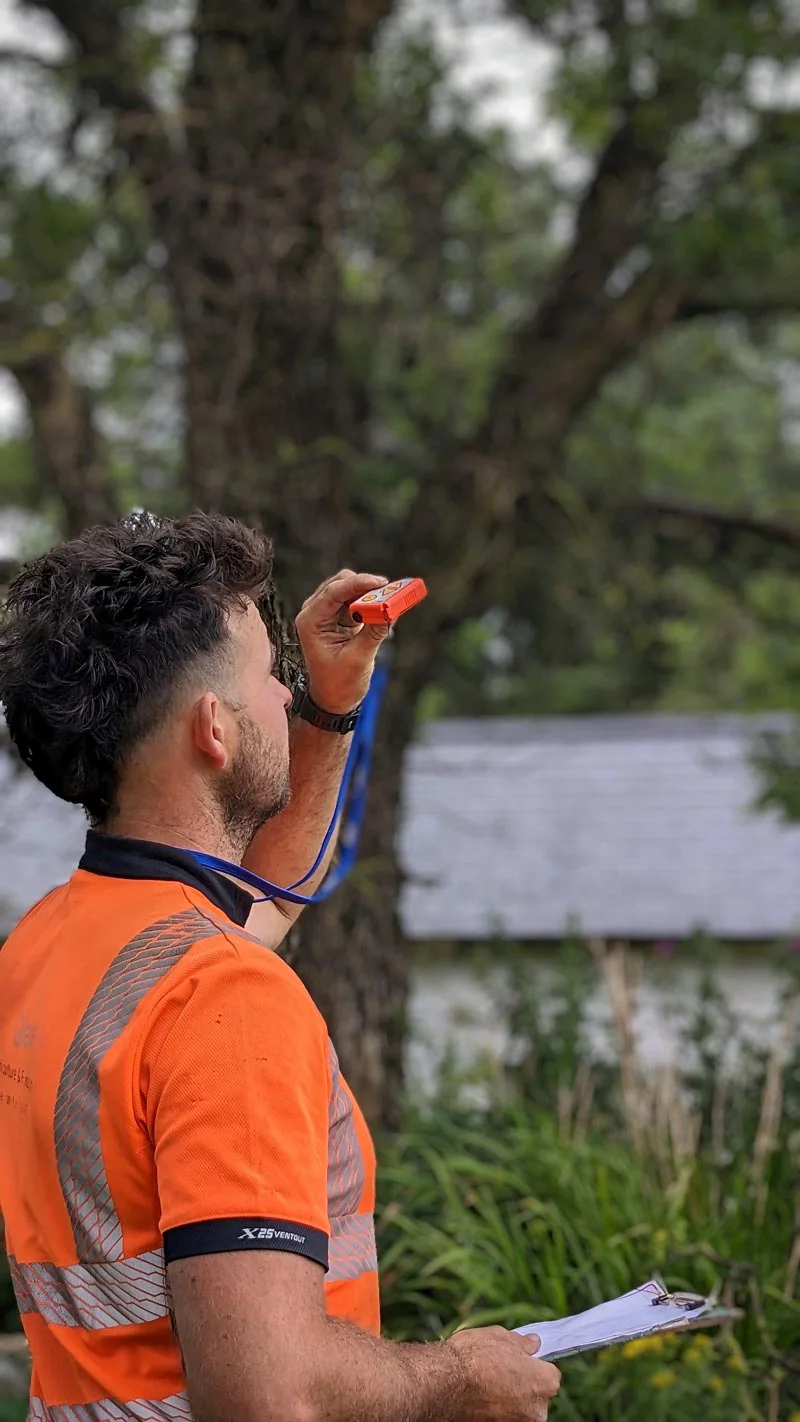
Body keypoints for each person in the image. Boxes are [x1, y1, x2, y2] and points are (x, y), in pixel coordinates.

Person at [0, 511, 560, 1422]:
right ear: (214, 731)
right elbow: (269, 1389)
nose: (282, 696)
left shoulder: (49, 943)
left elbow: (255, 904)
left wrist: (330, 704)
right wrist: (461, 1377)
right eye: (272, 677)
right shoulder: (225, 995)